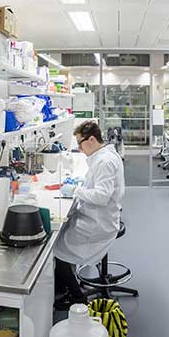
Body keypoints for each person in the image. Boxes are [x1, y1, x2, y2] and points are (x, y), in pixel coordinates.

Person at [53, 121, 125, 308]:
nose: (79, 148)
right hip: (97, 215)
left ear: (91, 139)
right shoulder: (104, 155)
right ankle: (67, 286)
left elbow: (101, 196)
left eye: (80, 143)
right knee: (63, 233)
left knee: (56, 249)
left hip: (100, 222)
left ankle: (77, 297)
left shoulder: (104, 161)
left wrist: (76, 190)